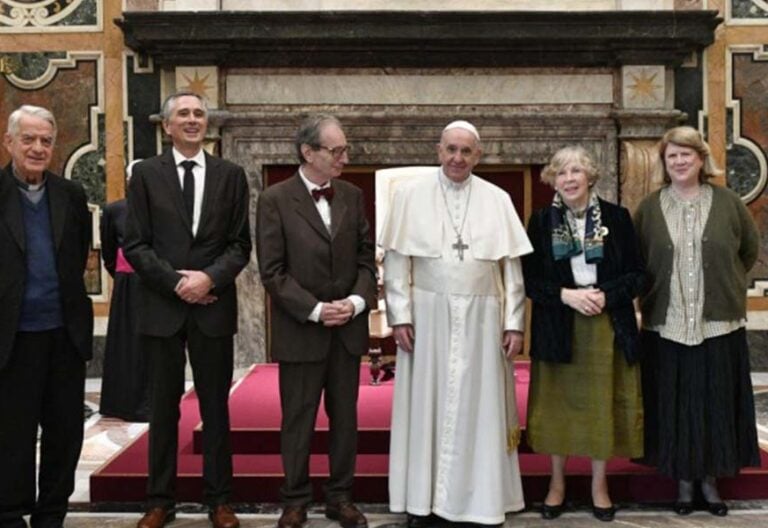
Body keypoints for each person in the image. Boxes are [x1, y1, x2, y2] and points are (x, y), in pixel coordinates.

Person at [379, 120, 531, 527]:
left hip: (484, 317)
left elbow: (512, 270)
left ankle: (479, 501)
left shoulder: (497, 199)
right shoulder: (410, 195)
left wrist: (514, 323)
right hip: (427, 315)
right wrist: (400, 316)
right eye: (451, 149)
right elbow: (396, 264)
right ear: (438, 150)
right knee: (426, 405)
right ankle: (422, 502)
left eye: (466, 151)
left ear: (478, 156)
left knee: (478, 409)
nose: (457, 158)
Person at [124, 92, 251, 528]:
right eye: (184, 114)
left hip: (213, 306)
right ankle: (159, 501)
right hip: (162, 307)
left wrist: (208, 279)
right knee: (163, 408)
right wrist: (178, 283)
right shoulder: (145, 175)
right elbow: (135, 243)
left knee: (216, 407)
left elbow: (240, 245)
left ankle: (219, 500)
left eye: (199, 113)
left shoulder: (231, 175)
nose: (193, 120)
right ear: (167, 125)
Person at [256, 115, 377, 528]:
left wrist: (357, 302)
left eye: (345, 149)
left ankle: (340, 497)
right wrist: (315, 309)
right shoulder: (274, 199)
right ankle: (295, 499)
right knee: (298, 418)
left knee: (346, 418)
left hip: (347, 331)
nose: (345, 157)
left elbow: (366, 258)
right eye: (337, 150)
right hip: (301, 330)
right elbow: (272, 272)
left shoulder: (352, 195)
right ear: (308, 152)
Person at [634, 126, 761, 516]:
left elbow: (748, 251)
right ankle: (684, 484)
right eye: (671, 156)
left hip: (717, 325)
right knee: (674, 405)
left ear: (702, 159)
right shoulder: (650, 208)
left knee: (714, 404)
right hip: (667, 326)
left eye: (686, 154)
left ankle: (711, 481)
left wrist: (725, 287)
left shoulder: (728, 203)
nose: (679, 161)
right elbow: (638, 261)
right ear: (664, 162)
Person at [522, 146, 645, 523]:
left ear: (590, 176)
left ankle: (598, 485)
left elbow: (638, 274)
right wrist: (567, 295)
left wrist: (604, 296)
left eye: (576, 171)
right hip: (559, 323)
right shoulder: (541, 221)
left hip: (606, 324)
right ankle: (556, 484)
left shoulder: (617, 217)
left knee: (600, 407)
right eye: (561, 173)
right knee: (558, 408)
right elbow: (530, 279)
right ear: (553, 180)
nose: (569, 179)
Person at [0, 105, 93, 528]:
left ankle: (52, 512)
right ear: (9, 143)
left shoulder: (71, 196)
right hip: (11, 336)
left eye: (46, 141)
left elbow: (75, 261)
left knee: (64, 432)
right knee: (12, 434)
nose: (38, 148)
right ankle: (9, 511)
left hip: (63, 333)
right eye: (29, 139)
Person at [99, 160, 149, 422]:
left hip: (155, 286)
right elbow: (109, 252)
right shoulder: (114, 210)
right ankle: (121, 403)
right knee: (125, 346)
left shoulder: (161, 209)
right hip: (127, 287)